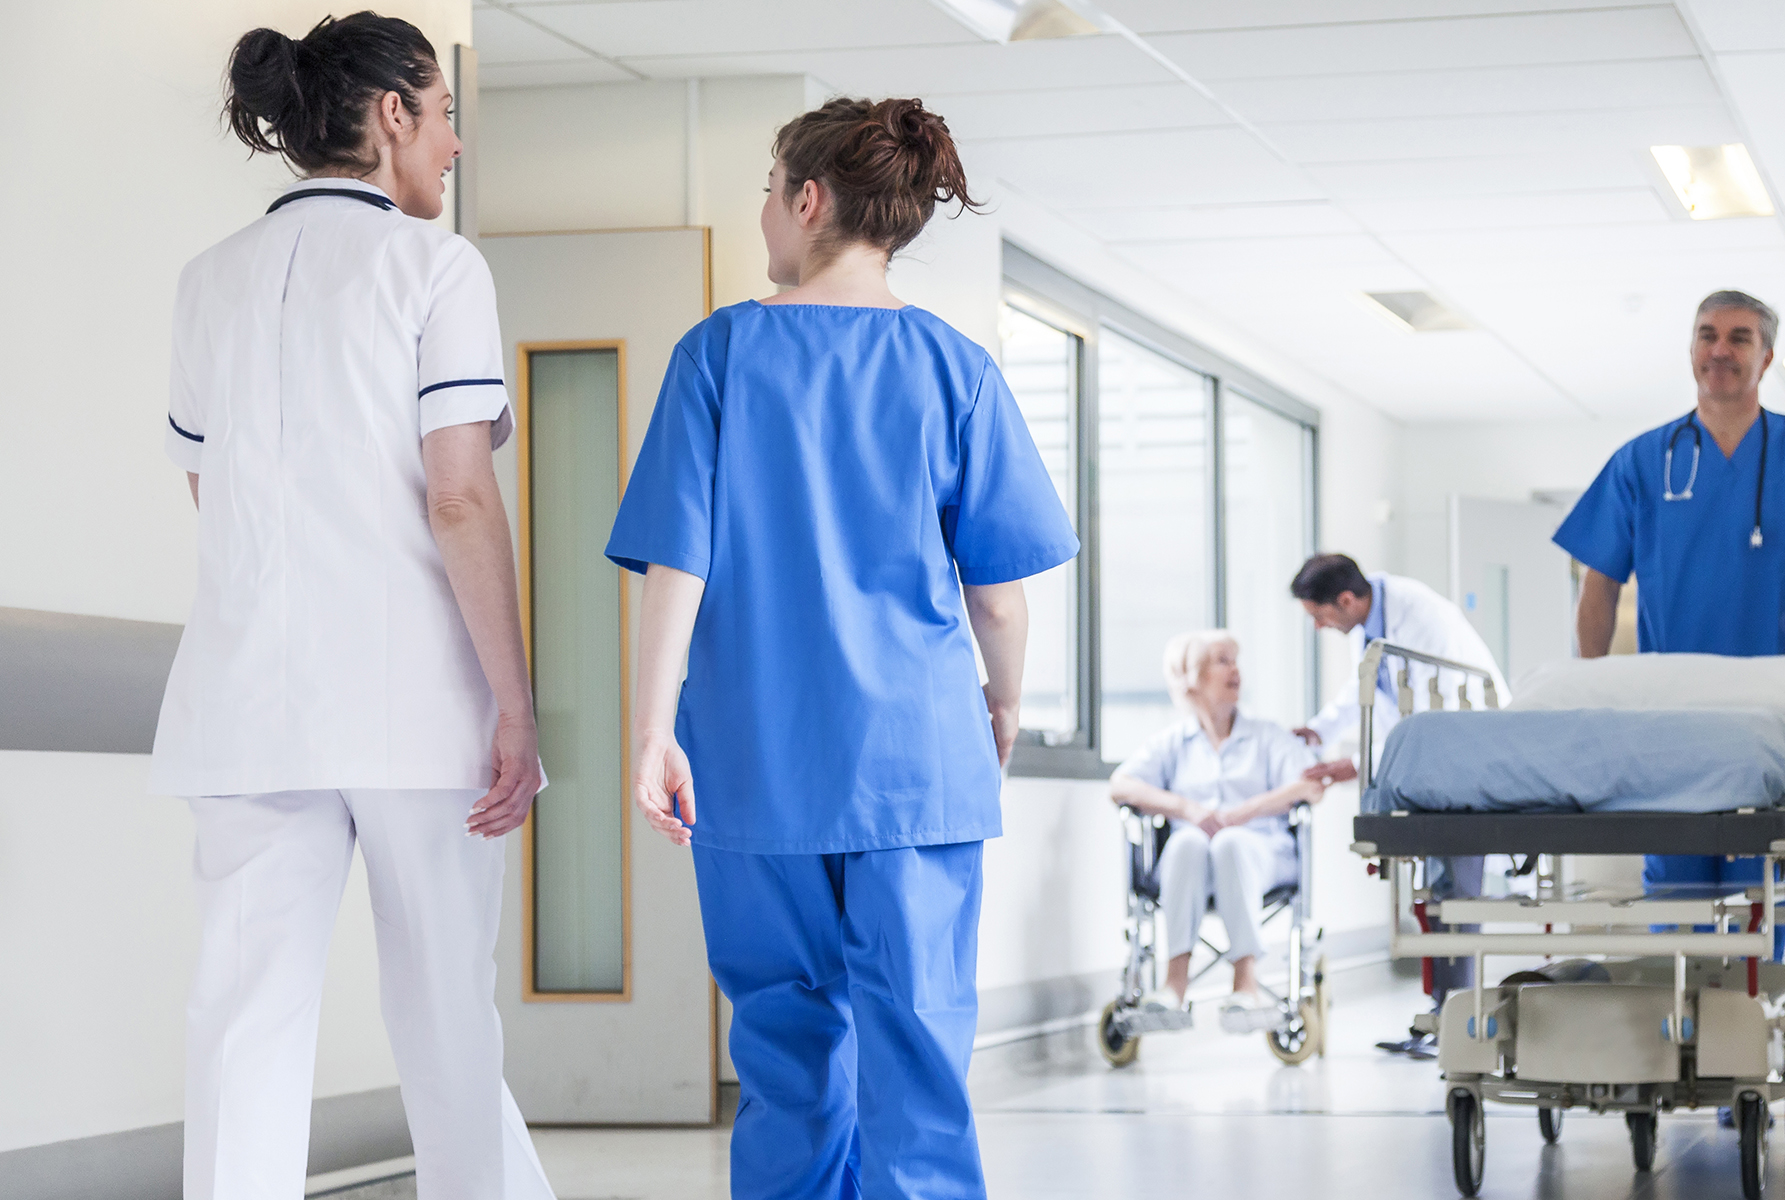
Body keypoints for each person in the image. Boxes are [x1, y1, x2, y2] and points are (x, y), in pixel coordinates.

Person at [606, 97, 1077, 1200]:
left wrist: (650, 735)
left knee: (784, 1052)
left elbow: (680, 565)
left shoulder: (717, 354)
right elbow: (998, 602)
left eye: (770, 190)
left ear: (807, 199)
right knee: (916, 1054)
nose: (766, 214)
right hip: (917, 766)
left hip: (755, 765)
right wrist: (998, 708)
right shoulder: (954, 368)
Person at [152, 14, 553, 1199]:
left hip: (244, 703)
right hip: (412, 706)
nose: (454, 144)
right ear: (392, 117)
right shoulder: (437, 269)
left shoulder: (208, 279)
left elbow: (203, 481)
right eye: (442, 115)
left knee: (243, 1023)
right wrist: (516, 708)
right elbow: (463, 500)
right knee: (443, 1018)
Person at [1551, 289, 1785, 959]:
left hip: (1770, 710)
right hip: (1670, 716)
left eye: (1739, 338)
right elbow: (1599, 586)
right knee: (1675, 894)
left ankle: (1749, 1019)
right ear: (1690, 352)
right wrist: (1589, 691)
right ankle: (1680, 1029)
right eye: (1707, 334)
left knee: (1760, 884)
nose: (1720, 350)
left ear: (1766, 358)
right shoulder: (1644, 461)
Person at [1287, 553, 1507, 1057]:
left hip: (1465, 763)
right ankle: (1439, 1014)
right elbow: (1368, 689)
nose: (1320, 627)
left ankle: (1459, 1019)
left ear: (1345, 600)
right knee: (1434, 897)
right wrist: (1320, 730)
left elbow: (1432, 716)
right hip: (1429, 774)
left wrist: (1358, 767)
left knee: (1456, 896)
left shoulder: (1421, 619)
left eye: (1319, 616)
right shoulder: (1371, 623)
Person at [1109, 632, 1326, 1034]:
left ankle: (1246, 982)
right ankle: (1174, 983)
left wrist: (1242, 813)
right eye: (1222, 660)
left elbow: (1310, 785)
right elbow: (1120, 786)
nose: (1235, 670)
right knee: (1189, 839)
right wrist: (1187, 809)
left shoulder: (1267, 737)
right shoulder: (1174, 743)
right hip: (1188, 865)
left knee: (1229, 841)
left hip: (1260, 854)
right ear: (1191, 677)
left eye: (1235, 660)